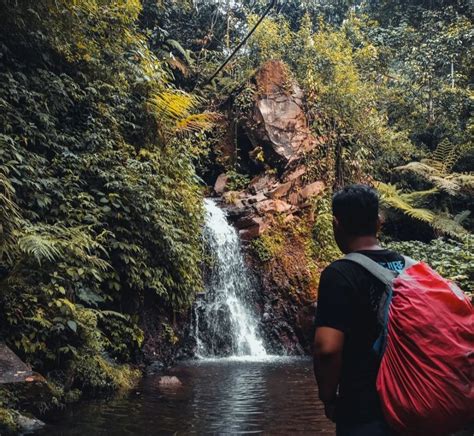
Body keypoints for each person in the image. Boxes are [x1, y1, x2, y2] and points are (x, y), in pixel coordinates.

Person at [313, 184, 404, 436]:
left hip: (365, 411)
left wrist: (328, 398)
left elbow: (327, 349)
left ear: (335, 224)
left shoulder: (339, 274)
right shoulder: (410, 268)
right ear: (378, 223)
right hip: (415, 404)